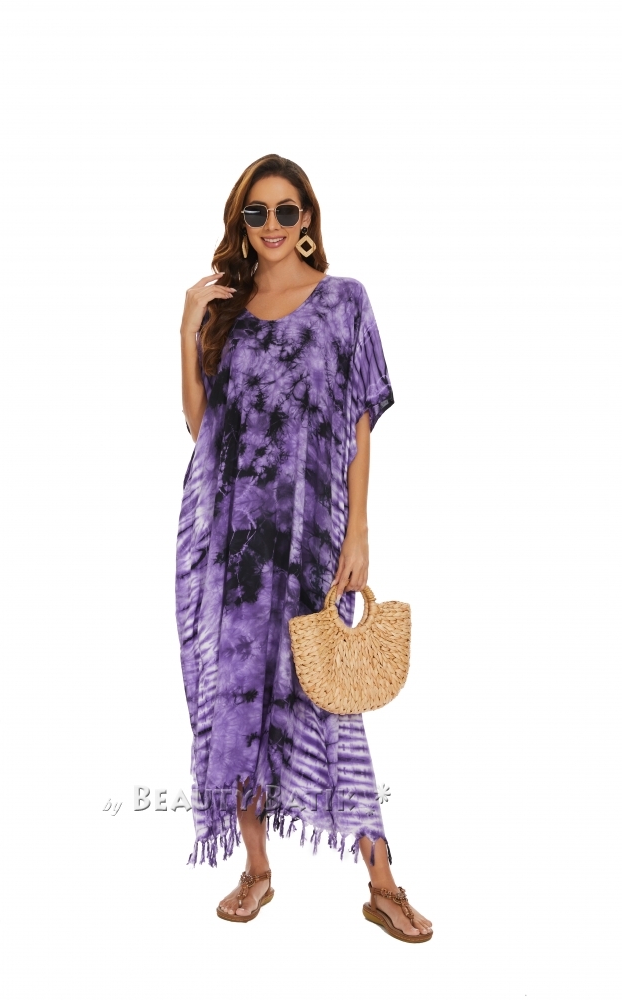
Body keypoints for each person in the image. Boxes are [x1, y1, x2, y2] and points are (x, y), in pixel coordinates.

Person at [175, 154, 432, 942]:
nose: (273, 226)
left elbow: (359, 420)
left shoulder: (343, 302)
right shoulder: (227, 311)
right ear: (241, 223)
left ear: (307, 218)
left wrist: (357, 533)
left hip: (311, 537)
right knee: (236, 703)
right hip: (232, 543)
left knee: (328, 701)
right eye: (257, 213)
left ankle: (381, 882)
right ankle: (255, 870)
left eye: (286, 211)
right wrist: (186, 326)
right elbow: (202, 429)